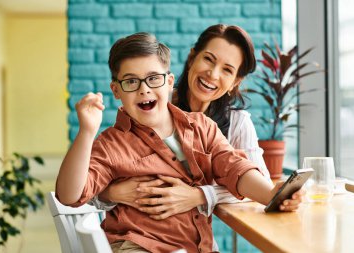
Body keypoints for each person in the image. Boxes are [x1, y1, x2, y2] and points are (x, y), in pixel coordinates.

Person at [56, 32, 302, 253]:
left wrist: (272, 194)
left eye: (153, 78)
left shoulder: (203, 127)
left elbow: (234, 168)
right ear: (116, 90)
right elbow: (69, 196)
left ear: (170, 81)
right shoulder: (111, 143)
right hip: (135, 245)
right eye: (131, 81)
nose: (144, 89)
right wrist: (86, 132)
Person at [91, 24, 276, 219]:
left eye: (227, 70)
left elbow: (262, 186)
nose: (213, 74)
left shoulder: (236, 123)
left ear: (235, 82)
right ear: (192, 57)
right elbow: (104, 170)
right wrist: (111, 192)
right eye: (208, 59)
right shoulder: (153, 105)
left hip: (194, 238)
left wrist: (199, 195)